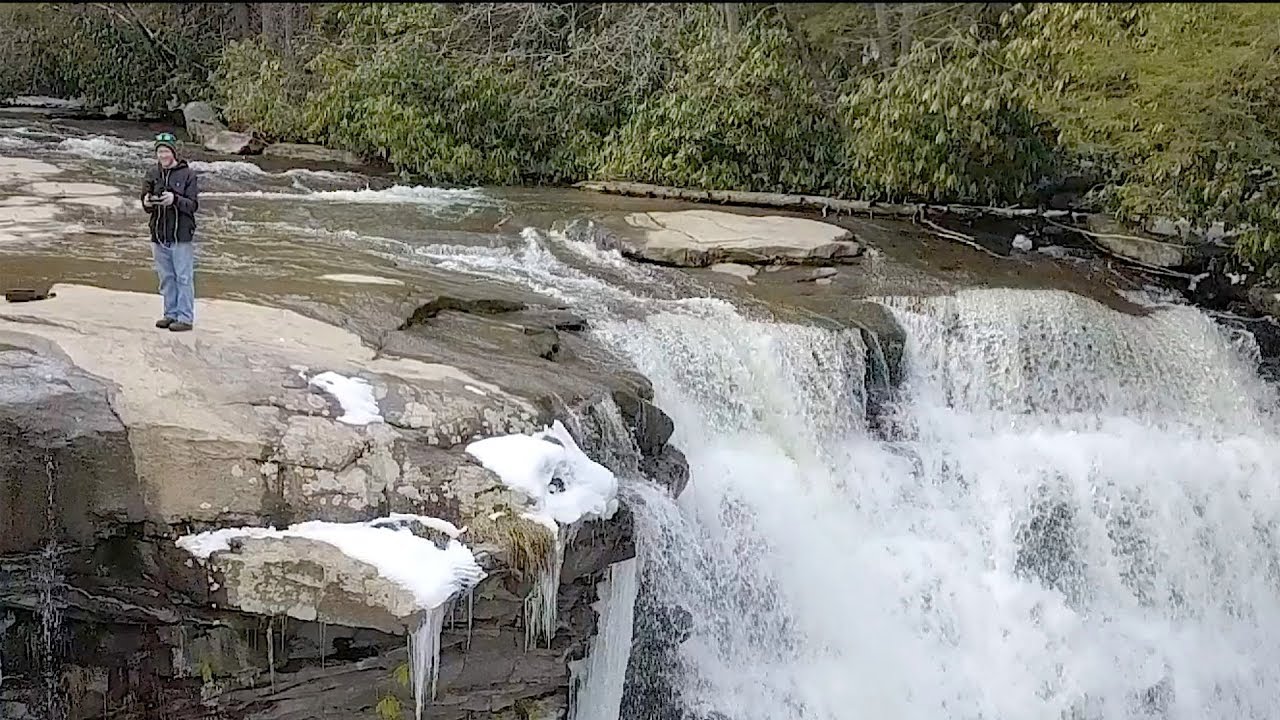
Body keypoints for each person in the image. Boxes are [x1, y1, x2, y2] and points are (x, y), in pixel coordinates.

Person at [141, 132, 200, 332]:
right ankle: (170, 313)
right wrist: (147, 201)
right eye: (160, 152)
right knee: (166, 277)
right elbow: (145, 201)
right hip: (158, 232)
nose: (163, 156)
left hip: (181, 234)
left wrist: (174, 200)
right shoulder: (152, 173)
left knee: (183, 276)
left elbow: (192, 205)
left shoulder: (189, 175)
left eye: (166, 151)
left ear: (173, 153)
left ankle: (185, 318)